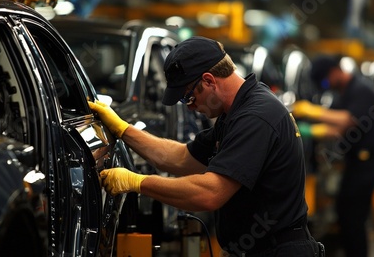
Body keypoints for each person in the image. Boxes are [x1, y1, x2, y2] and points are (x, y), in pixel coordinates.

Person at [89, 36, 323, 256]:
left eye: (188, 98)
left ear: (209, 81)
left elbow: (209, 193)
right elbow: (181, 158)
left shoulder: (256, 118)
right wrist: (124, 130)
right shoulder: (235, 114)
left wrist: (137, 182)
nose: (189, 108)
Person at [292, 54, 374, 257]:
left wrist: (312, 111)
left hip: (367, 164)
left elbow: (347, 121)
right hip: (357, 163)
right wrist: (307, 130)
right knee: (345, 215)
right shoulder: (344, 93)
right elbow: (336, 129)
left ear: (335, 71)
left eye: (326, 81)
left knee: (353, 220)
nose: (327, 86)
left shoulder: (360, 90)